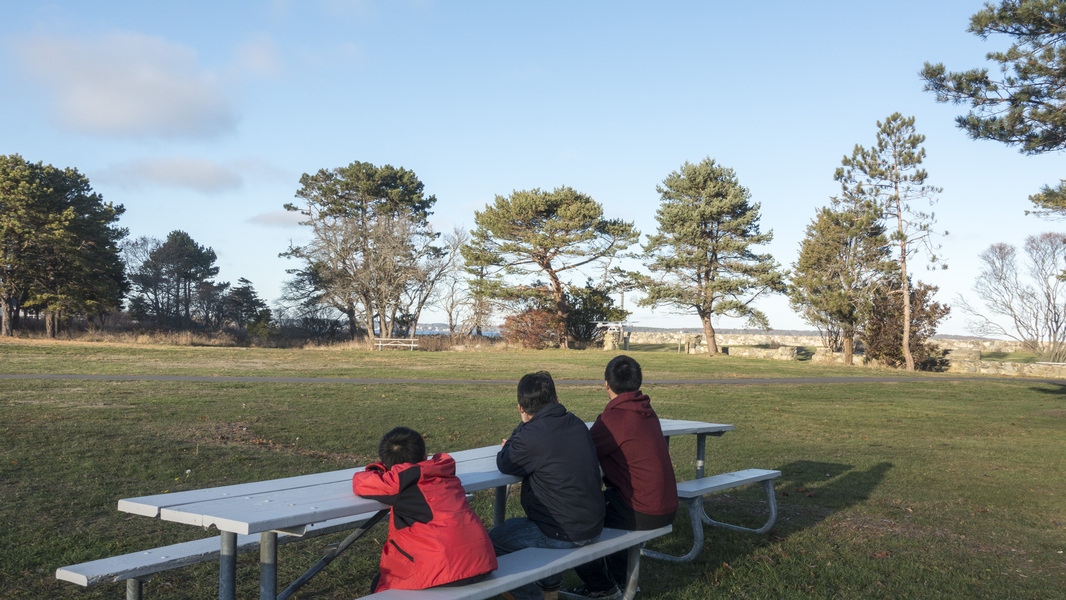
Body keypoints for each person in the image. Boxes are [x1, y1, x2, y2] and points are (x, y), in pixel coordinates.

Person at [491, 371, 605, 600]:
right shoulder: (576, 423)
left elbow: (504, 462)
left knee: (489, 543)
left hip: (563, 531)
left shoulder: (531, 436)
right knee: (541, 521)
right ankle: (549, 591)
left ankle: (531, 596)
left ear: (520, 408)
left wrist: (517, 434)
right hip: (593, 525)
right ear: (556, 399)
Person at [571, 355, 679, 599]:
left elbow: (580, 453)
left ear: (606, 384)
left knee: (574, 516)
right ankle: (622, 579)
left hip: (641, 510)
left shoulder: (613, 419)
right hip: (666, 505)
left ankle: (601, 586)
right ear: (638, 382)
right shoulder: (646, 411)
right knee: (610, 502)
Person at [351, 426, 497, 593]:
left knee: (380, 583)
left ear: (387, 462)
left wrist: (381, 469)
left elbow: (360, 482)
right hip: (482, 562)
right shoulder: (444, 470)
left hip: (445, 571)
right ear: (425, 454)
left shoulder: (401, 481)